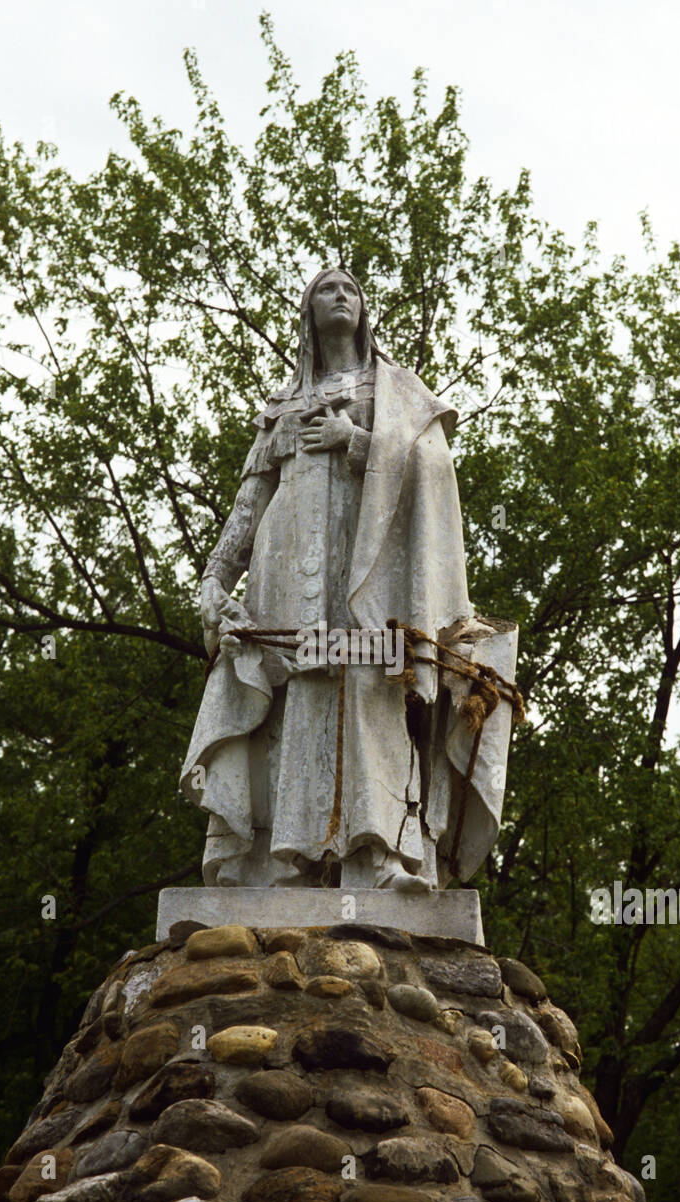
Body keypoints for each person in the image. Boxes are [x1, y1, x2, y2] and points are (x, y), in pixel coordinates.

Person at [181, 266, 515, 890]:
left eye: (351, 290)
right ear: (307, 314)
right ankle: (281, 863)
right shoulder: (279, 407)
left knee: (373, 689)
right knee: (296, 696)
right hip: (286, 568)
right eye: (326, 289)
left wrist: (355, 440)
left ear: (365, 312)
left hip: (372, 574)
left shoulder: (397, 392)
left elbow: (432, 471)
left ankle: (381, 858)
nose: (341, 296)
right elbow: (249, 504)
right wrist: (213, 582)